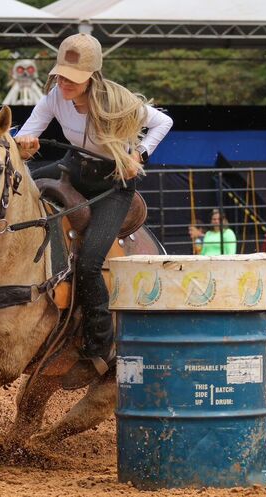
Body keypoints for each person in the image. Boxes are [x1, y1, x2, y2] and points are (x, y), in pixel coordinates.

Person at [14, 33, 173, 388]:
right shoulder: (54, 97)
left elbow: (163, 122)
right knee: (19, 193)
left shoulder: (119, 101)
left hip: (113, 186)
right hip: (74, 169)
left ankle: (100, 343)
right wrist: (24, 145)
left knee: (88, 262)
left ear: (92, 76)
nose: (64, 83)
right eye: (61, 75)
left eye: (73, 77)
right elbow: (25, 137)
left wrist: (139, 155)